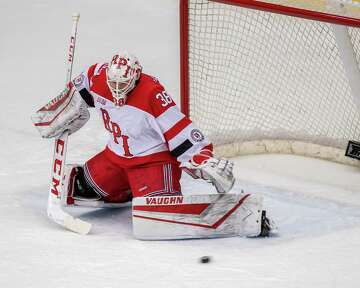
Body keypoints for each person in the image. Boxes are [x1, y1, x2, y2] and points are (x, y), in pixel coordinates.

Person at [32, 52, 273, 238]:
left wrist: (203, 159)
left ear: (136, 76)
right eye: (113, 83)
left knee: (156, 215)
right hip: (115, 158)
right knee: (80, 188)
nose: (117, 90)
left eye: (123, 84)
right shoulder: (97, 75)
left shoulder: (152, 93)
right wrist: (61, 108)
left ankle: (240, 215)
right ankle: (128, 189)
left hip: (152, 162)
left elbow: (180, 130)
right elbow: (77, 89)